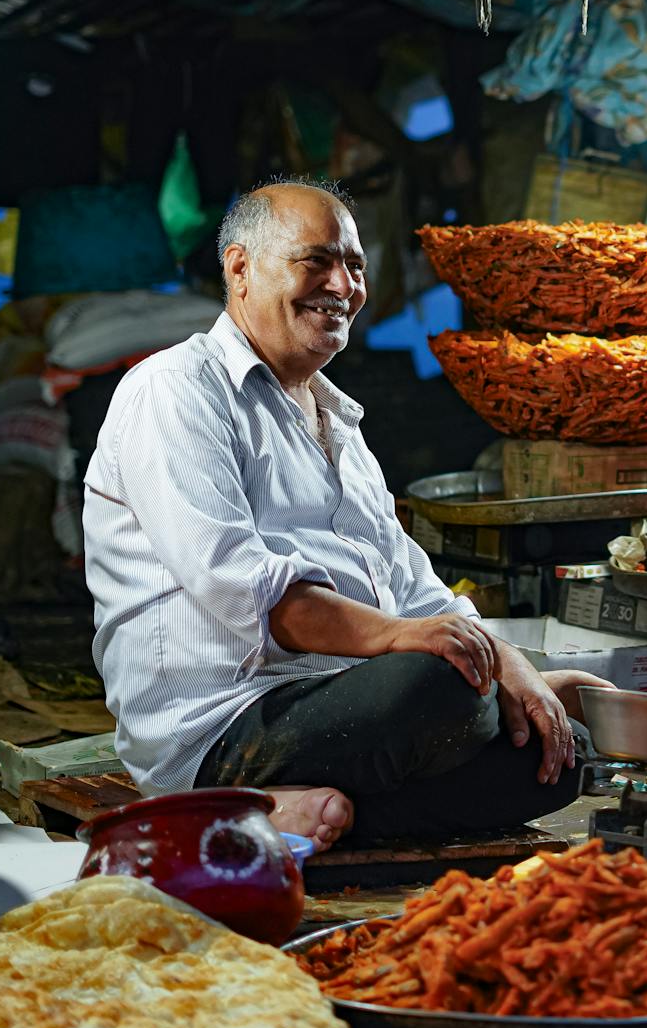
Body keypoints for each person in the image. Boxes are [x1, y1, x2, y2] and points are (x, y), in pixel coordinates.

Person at [84, 179, 608, 851]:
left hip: (335, 709)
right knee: (442, 686)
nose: (342, 284)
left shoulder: (340, 423)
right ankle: (209, 803)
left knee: (563, 757)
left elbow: (419, 591)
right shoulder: (175, 390)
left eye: (355, 265)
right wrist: (416, 646)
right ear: (240, 268)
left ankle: (300, 811)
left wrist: (510, 665)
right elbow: (251, 590)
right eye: (316, 260)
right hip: (221, 724)